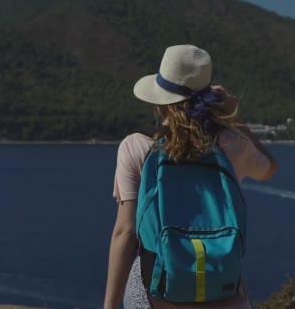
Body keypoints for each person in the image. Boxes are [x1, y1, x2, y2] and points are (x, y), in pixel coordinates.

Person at [104, 45, 277, 309]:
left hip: (158, 296)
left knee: (143, 266)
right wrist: (235, 117)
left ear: (158, 100)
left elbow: (125, 233)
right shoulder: (232, 144)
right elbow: (270, 168)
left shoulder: (137, 147)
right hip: (223, 294)